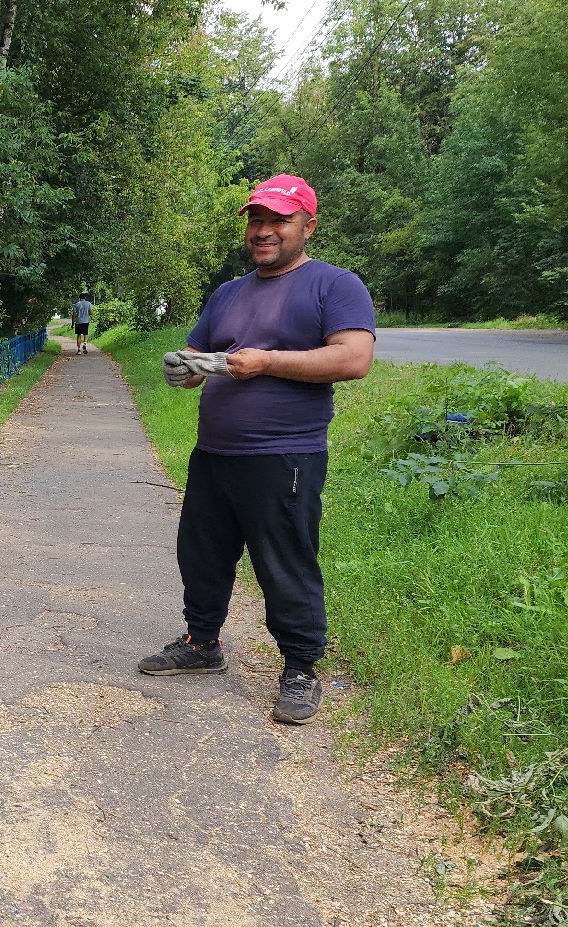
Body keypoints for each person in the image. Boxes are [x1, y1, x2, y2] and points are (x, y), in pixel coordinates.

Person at [137, 174, 375, 725]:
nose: (263, 231)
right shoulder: (229, 292)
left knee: (284, 563)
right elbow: (198, 356)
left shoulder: (334, 285)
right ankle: (202, 644)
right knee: (202, 555)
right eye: (256, 220)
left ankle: (299, 668)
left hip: (285, 455)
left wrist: (265, 361)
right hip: (215, 452)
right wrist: (183, 368)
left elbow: (352, 360)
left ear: (307, 226)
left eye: (278, 221)